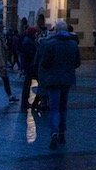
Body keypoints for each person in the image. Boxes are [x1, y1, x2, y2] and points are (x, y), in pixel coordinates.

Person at [34, 20, 81, 149]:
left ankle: (54, 133)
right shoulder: (73, 44)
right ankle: (62, 132)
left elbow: (44, 63)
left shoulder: (50, 44)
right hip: (67, 80)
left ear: (56, 31)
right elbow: (77, 63)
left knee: (54, 108)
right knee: (63, 107)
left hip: (53, 80)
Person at [18, 26, 39, 111]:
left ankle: (26, 102)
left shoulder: (27, 40)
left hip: (28, 66)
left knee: (27, 84)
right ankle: (26, 102)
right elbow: (30, 55)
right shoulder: (29, 42)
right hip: (30, 66)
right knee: (27, 84)